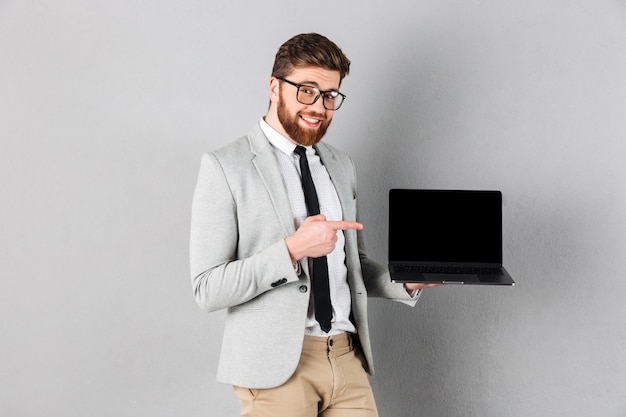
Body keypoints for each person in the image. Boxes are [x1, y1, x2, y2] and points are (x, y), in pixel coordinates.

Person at [190, 32, 439, 417]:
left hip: (346, 357)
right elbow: (207, 288)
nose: (319, 106)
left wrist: (402, 282)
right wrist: (292, 250)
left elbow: (353, 264)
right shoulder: (226, 166)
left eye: (330, 95)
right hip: (275, 370)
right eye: (306, 90)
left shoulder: (340, 165)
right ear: (275, 87)